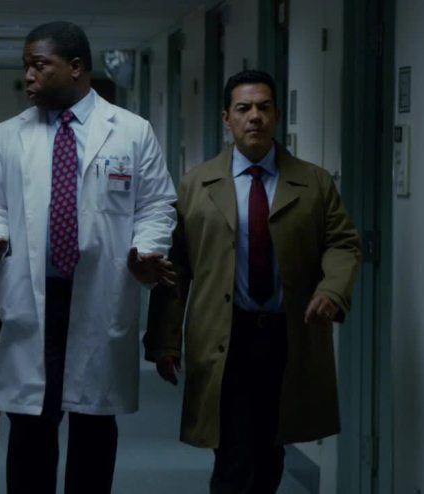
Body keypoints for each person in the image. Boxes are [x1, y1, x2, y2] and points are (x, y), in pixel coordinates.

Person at [0, 21, 177, 494]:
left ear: (76, 67)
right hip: (34, 301)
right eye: (26, 66)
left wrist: (147, 249)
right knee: (30, 430)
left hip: (100, 296)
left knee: (94, 429)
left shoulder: (131, 132)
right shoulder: (11, 135)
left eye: (40, 65)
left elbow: (156, 205)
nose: (29, 76)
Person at [144, 69, 362, 493]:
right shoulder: (197, 184)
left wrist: (332, 289)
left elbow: (343, 242)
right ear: (227, 119)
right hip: (224, 336)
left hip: (286, 335)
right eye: (243, 108)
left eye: (264, 107)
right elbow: (176, 269)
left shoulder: (314, 182)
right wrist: (165, 342)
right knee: (231, 452)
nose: (255, 117)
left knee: (270, 449)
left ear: (277, 115)